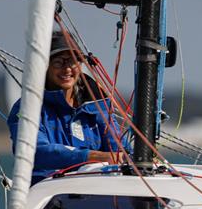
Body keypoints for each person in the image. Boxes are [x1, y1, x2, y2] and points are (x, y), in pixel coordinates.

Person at [7, 32, 128, 185]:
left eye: (73, 62)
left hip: (96, 190)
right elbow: (33, 152)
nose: (67, 69)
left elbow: (121, 149)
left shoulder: (97, 104)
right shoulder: (27, 107)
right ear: (44, 66)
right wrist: (94, 156)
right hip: (48, 193)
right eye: (59, 62)